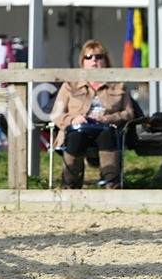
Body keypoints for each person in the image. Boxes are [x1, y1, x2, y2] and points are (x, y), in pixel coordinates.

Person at [50, 40, 134, 189]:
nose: (93, 60)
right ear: (82, 62)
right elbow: (56, 115)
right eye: (88, 57)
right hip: (77, 129)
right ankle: (70, 186)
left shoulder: (118, 85)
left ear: (106, 61)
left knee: (107, 135)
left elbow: (129, 113)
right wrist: (73, 119)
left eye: (98, 56)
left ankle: (111, 185)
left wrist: (106, 119)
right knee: (75, 136)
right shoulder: (70, 85)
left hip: (105, 129)